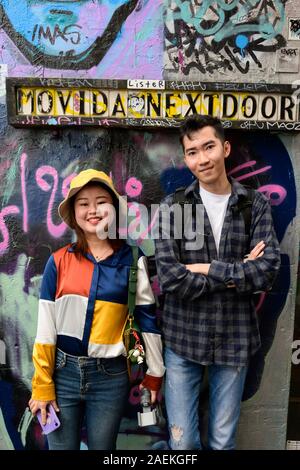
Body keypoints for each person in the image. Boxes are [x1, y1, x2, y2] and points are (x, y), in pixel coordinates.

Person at [155, 114, 281, 450]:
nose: (202, 158)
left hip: (235, 339)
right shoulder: (175, 207)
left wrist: (205, 268)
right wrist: (238, 270)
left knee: (223, 442)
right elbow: (170, 277)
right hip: (183, 339)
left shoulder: (254, 205)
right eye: (193, 151)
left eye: (209, 147)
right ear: (186, 159)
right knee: (182, 445)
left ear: (225, 148)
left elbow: (267, 270)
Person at [28, 168, 165, 450]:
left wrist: (155, 373)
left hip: (110, 378)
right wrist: (42, 384)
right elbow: (45, 330)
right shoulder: (58, 262)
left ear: (113, 209)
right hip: (62, 374)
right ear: (74, 213)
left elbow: (147, 321)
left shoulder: (133, 260)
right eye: (83, 203)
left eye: (101, 201)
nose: (93, 210)